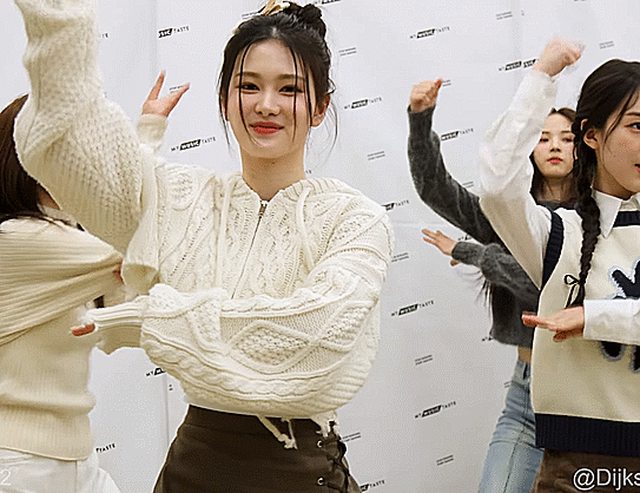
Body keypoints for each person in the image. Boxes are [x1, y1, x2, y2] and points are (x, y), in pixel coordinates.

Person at [13, 0, 393, 491]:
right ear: (224, 98)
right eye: (248, 86)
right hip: (192, 472)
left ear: (320, 107)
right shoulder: (176, 197)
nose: (266, 105)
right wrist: (61, 18)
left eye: (290, 89)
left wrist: (152, 320)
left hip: (302, 476)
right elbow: (58, 146)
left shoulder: (355, 218)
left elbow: (314, 342)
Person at [0, 76, 186, 493]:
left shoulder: (69, 236)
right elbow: (138, 245)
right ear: (24, 161)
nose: (82, 166)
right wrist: (147, 137)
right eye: (64, 153)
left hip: (75, 458)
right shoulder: (18, 240)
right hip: (18, 463)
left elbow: (128, 293)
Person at [478, 38, 640, 492]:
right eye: (637, 125)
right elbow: (497, 187)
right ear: (591, 135)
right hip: (574, 471)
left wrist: (592, 317)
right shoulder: (559, 232)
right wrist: (541, 78)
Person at [408, 76, 577, 492]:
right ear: (527, 149)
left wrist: (472, 252)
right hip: (527, 397)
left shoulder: (596, 217)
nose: (554, 146)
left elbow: (546, 290)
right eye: (542, 137)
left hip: (588, 399)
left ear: (585, 146)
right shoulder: (507, 215)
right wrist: (420, 120)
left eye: (566, 138)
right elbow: (436, 189)